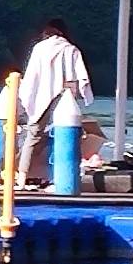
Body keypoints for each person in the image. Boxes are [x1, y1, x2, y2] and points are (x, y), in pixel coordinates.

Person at [11, 18, 93, 183]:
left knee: (32, 137)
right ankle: (62, 178)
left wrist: (26, 96)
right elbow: (82, 78)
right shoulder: (71, 49)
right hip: (65, 99)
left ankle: (21, 177)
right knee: (70, 135)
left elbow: (31, 76)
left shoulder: (39, 49)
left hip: (40, 97)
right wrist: (84, 96)